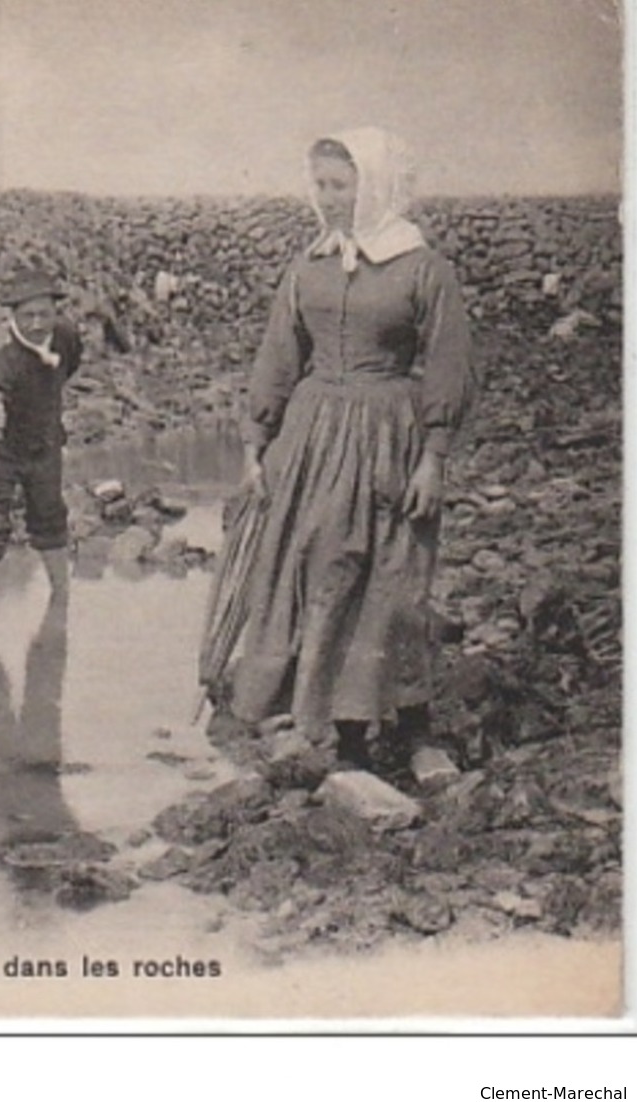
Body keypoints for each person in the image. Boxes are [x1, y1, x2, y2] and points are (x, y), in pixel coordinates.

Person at [229, 128, 478, 776]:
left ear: (373, 186)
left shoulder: (421, 267)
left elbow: (448, 365)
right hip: (310, 439)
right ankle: (325, 729)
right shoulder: (308, 265)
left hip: (387, 437)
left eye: (341, 185)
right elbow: (278, 357)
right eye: (320, 185)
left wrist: (434, 455)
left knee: (393, 581)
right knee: (317, 572)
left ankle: (413, 727)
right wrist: (256, 443)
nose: (328, 198)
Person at [0, 269, 84, 631]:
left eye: (44, 314)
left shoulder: (65, 337)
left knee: (50, 518)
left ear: (55, 312)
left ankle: (62, 596)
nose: (36, 324)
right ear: (12, 316)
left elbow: (69, 367)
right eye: (27, 316)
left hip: (44, 443)